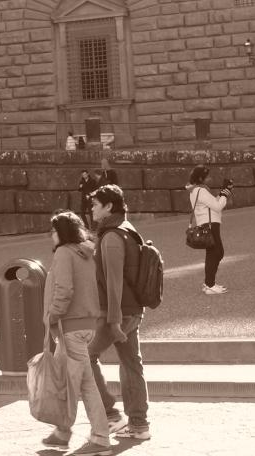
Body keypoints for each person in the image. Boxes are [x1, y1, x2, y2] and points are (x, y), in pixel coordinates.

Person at [39, 211, 113, 456]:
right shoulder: (85, 253)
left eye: (53, 230)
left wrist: (52, 315)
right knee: (75, 382)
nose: (51, 235)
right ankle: (63, 433)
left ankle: (100, 438)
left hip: (70, 327)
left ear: (61, 232)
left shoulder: (63, 253)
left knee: (80, 386)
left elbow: (65, 289)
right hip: (86, 325)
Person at [87, 184, 151, 441]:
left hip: (117, 313)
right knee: (132, 365)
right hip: (132, 310)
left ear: (109, 206)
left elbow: (114, 283)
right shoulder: (127, 229)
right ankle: (139, 425)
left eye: (95, 205)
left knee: (84, 358)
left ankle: (111, 415)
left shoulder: (112, 236)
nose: (91, 209)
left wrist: (113, 321)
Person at [187, 165, 233, 294]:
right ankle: (209, 285)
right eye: (207, 176)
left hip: (209, 223)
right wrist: (225, 193)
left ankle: (209, 283)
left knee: (214, 253)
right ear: (201, 178)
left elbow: (213, 203)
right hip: (210, 224)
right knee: (217, 252)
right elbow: (218, 206)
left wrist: (223, 192)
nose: (210, 178)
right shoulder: (200, 191)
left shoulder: (197, 190)